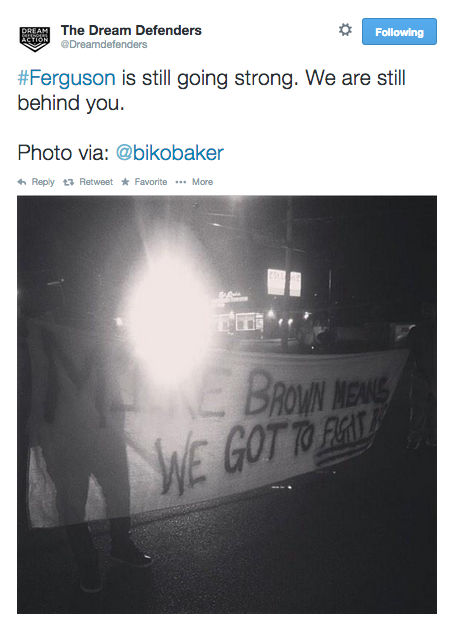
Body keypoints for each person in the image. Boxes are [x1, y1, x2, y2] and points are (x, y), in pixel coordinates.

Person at [26, 311, 152, 595]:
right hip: (65, 434)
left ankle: (121, 544)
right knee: (72, 502)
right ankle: (87, 560)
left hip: (104, 429)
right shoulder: (40, 335)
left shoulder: (98, 330)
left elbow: (125, 367)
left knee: (119, 491)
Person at [406, 302, 437, 450]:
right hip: (426, 374)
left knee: (421, 409)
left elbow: (412, 351)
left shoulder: (416, 331)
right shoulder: (418, 332)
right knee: (427, 408)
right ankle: (428, 438)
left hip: (423, 374)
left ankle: (417, 438)